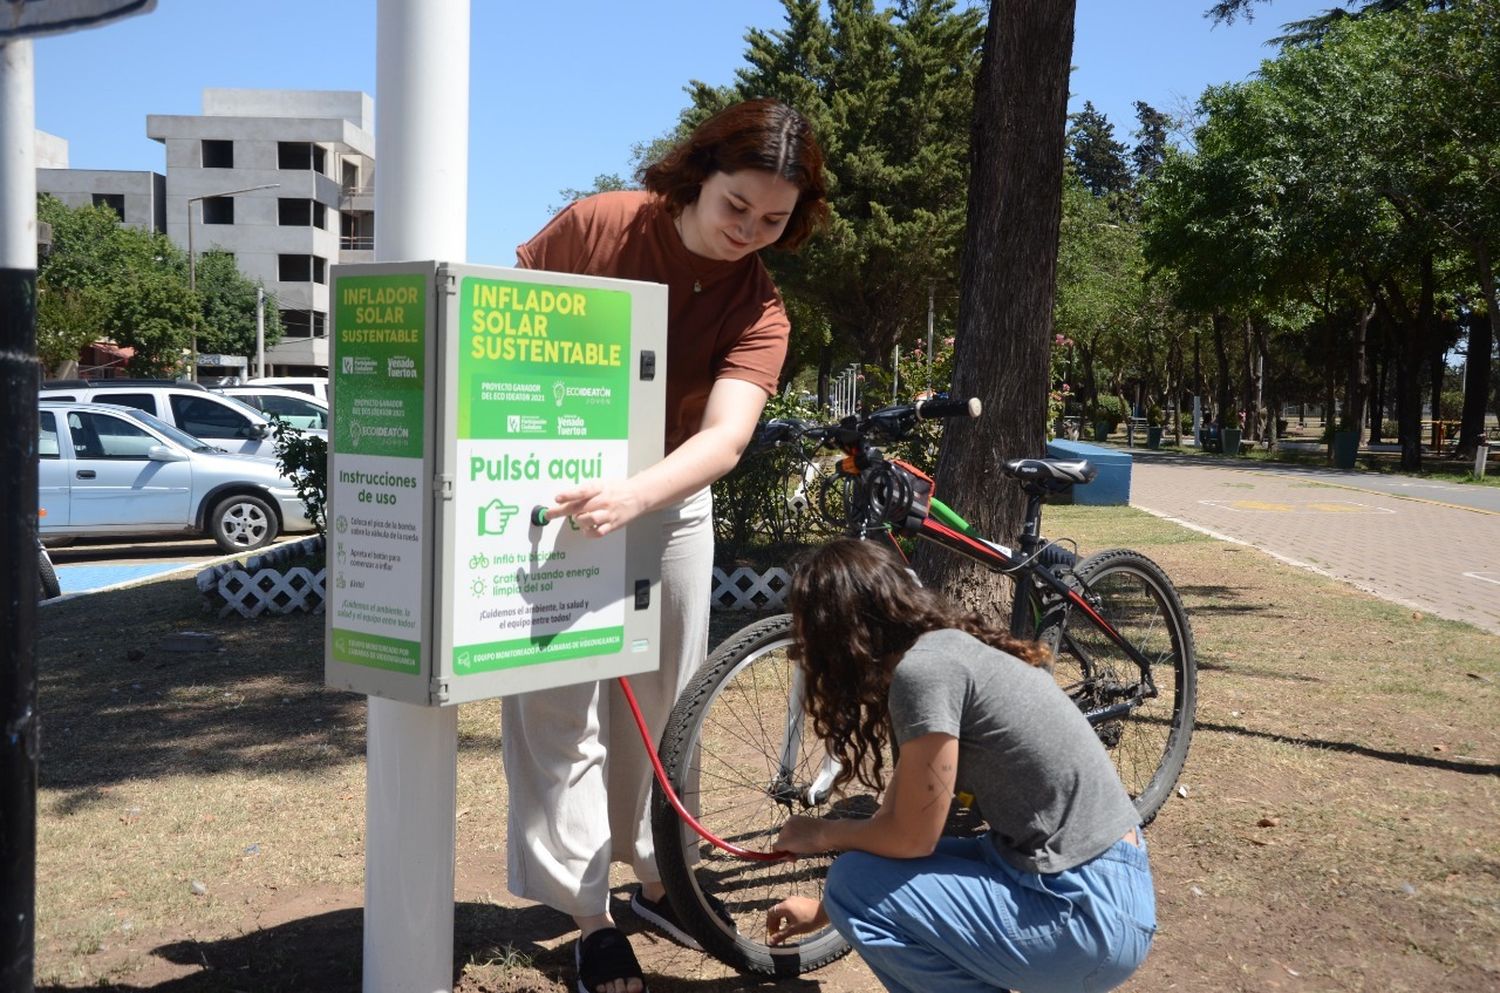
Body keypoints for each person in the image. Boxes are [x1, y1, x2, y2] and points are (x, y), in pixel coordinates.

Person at [503, 98, 828, 993]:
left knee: (666, 708)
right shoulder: (598, 225)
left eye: (774, 221)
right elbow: (496, 338)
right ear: (698, 175)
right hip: (559, 499)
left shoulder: (761, 307)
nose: (749, 234)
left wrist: (638, 493)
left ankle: (656, 875)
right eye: (736, 207)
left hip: (670, 503)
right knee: (557, 709)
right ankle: (587, 915)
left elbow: (723, 441)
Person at [765, 539, 1156, 993]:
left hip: (1086, 914)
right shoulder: (943, 652)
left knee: (852, 879)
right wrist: (825, 911)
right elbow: (896, 823)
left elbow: (911, 838)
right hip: (1102, 890)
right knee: (852, 877)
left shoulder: (923, 674)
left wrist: (820, 835)